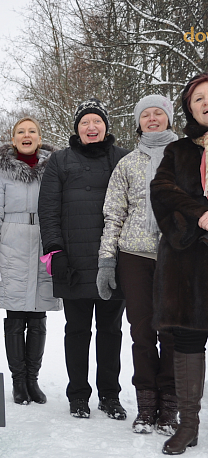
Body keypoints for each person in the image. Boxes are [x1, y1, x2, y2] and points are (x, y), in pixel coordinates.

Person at [39, 99, 129, 419]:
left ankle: (110, 395)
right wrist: (56, 251)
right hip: (73, 263)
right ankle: (78, 395)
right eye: (85, 123)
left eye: (97, 122)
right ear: (76, 128)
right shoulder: (60, 161)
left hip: (113, 260)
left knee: (110, 331)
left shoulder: (123, 159)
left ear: (106, 126)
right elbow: (48, 211)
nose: (91, 128)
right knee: (77, 331)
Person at [98, 95, 178, 434]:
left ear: (169, 118)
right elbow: (113, 215)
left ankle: (171, 408)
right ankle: (146, 406)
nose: (153, 118)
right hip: (135, 256)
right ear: (138, 121)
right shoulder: (127, 164)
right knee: (142, 332)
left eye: (159, 112)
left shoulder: (189, 157)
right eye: (146, 114)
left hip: (178, 255)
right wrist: (106, 260)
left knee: (173, 332)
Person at [0, 117, 62, 405]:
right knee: (15, 316)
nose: (26, 136)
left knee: (38, 315)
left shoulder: (54, 167)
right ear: (13, 138)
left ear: (40, 138)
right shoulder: (1, 172)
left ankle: (33, 379)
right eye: (20, 132)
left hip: (44, 243)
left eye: (32, 131)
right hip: (10, 246)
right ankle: (18, 381)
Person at [150, 72, 208, 455]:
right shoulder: (178, 151)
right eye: (198, 98)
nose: (205, 102)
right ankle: (188, 425)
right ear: (190, 108)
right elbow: (161, 192)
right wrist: (199, 217)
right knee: (188, 340)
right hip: (189, 262)